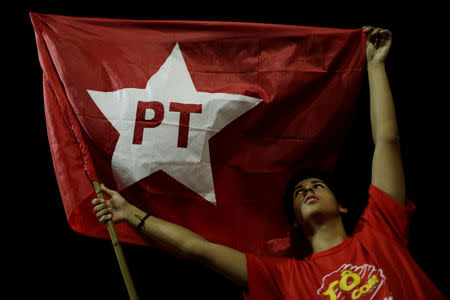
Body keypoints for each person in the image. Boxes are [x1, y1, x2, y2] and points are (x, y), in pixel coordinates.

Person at [91, 26, 446, 299]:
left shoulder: (380, 232)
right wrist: (129, 213)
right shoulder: (286, 278)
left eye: (317, 186)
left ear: (341, 206)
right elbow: (196, 249)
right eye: (299, 192)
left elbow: (386, 141)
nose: (307, 190)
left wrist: (374, 66)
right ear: (293, 221)